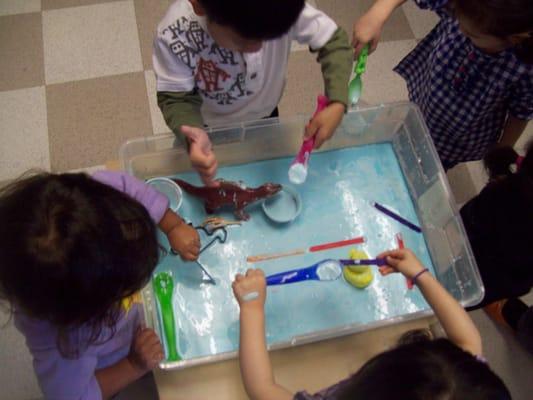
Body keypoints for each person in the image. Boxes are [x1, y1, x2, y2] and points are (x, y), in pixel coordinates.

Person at [0, 171, 199, 399]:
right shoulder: (67, 345)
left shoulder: (97, 201)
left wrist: (172, 224)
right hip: (116, 356)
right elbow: (74, 395)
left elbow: (130, 187)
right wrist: (133, 365)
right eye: (125, 285)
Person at [232, 248, 511, 400]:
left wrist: (252, 308)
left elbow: (262, 388)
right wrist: (421, 274)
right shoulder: (468, 389)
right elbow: (468, 340)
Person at [154, 0, 352, 185]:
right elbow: (175, 97)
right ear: (202, 7)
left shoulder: (280, 8)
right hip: (206, 126)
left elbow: (333, 41)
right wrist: (192, 138)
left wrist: (337, 103)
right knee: (201, 168)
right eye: (243, 41)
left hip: (265, 114)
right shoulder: (175, 32)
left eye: (270, 37)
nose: (257, 48)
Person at [352, 0, 533, 169]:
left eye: (471, 35)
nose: (460, 28)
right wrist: (378, 12)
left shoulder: (524, 69)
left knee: (432, 165)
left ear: (514, 38)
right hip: (429, 97)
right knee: (413, 124)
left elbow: (520, 113)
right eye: (456, 16)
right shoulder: (468, 5)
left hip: (458, 138)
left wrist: (502, 150)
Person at [460, 142, 533, 353]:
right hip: (492, 282)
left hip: (471, 259)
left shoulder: (499, 190)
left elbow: (465, 219)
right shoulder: (501, 196)